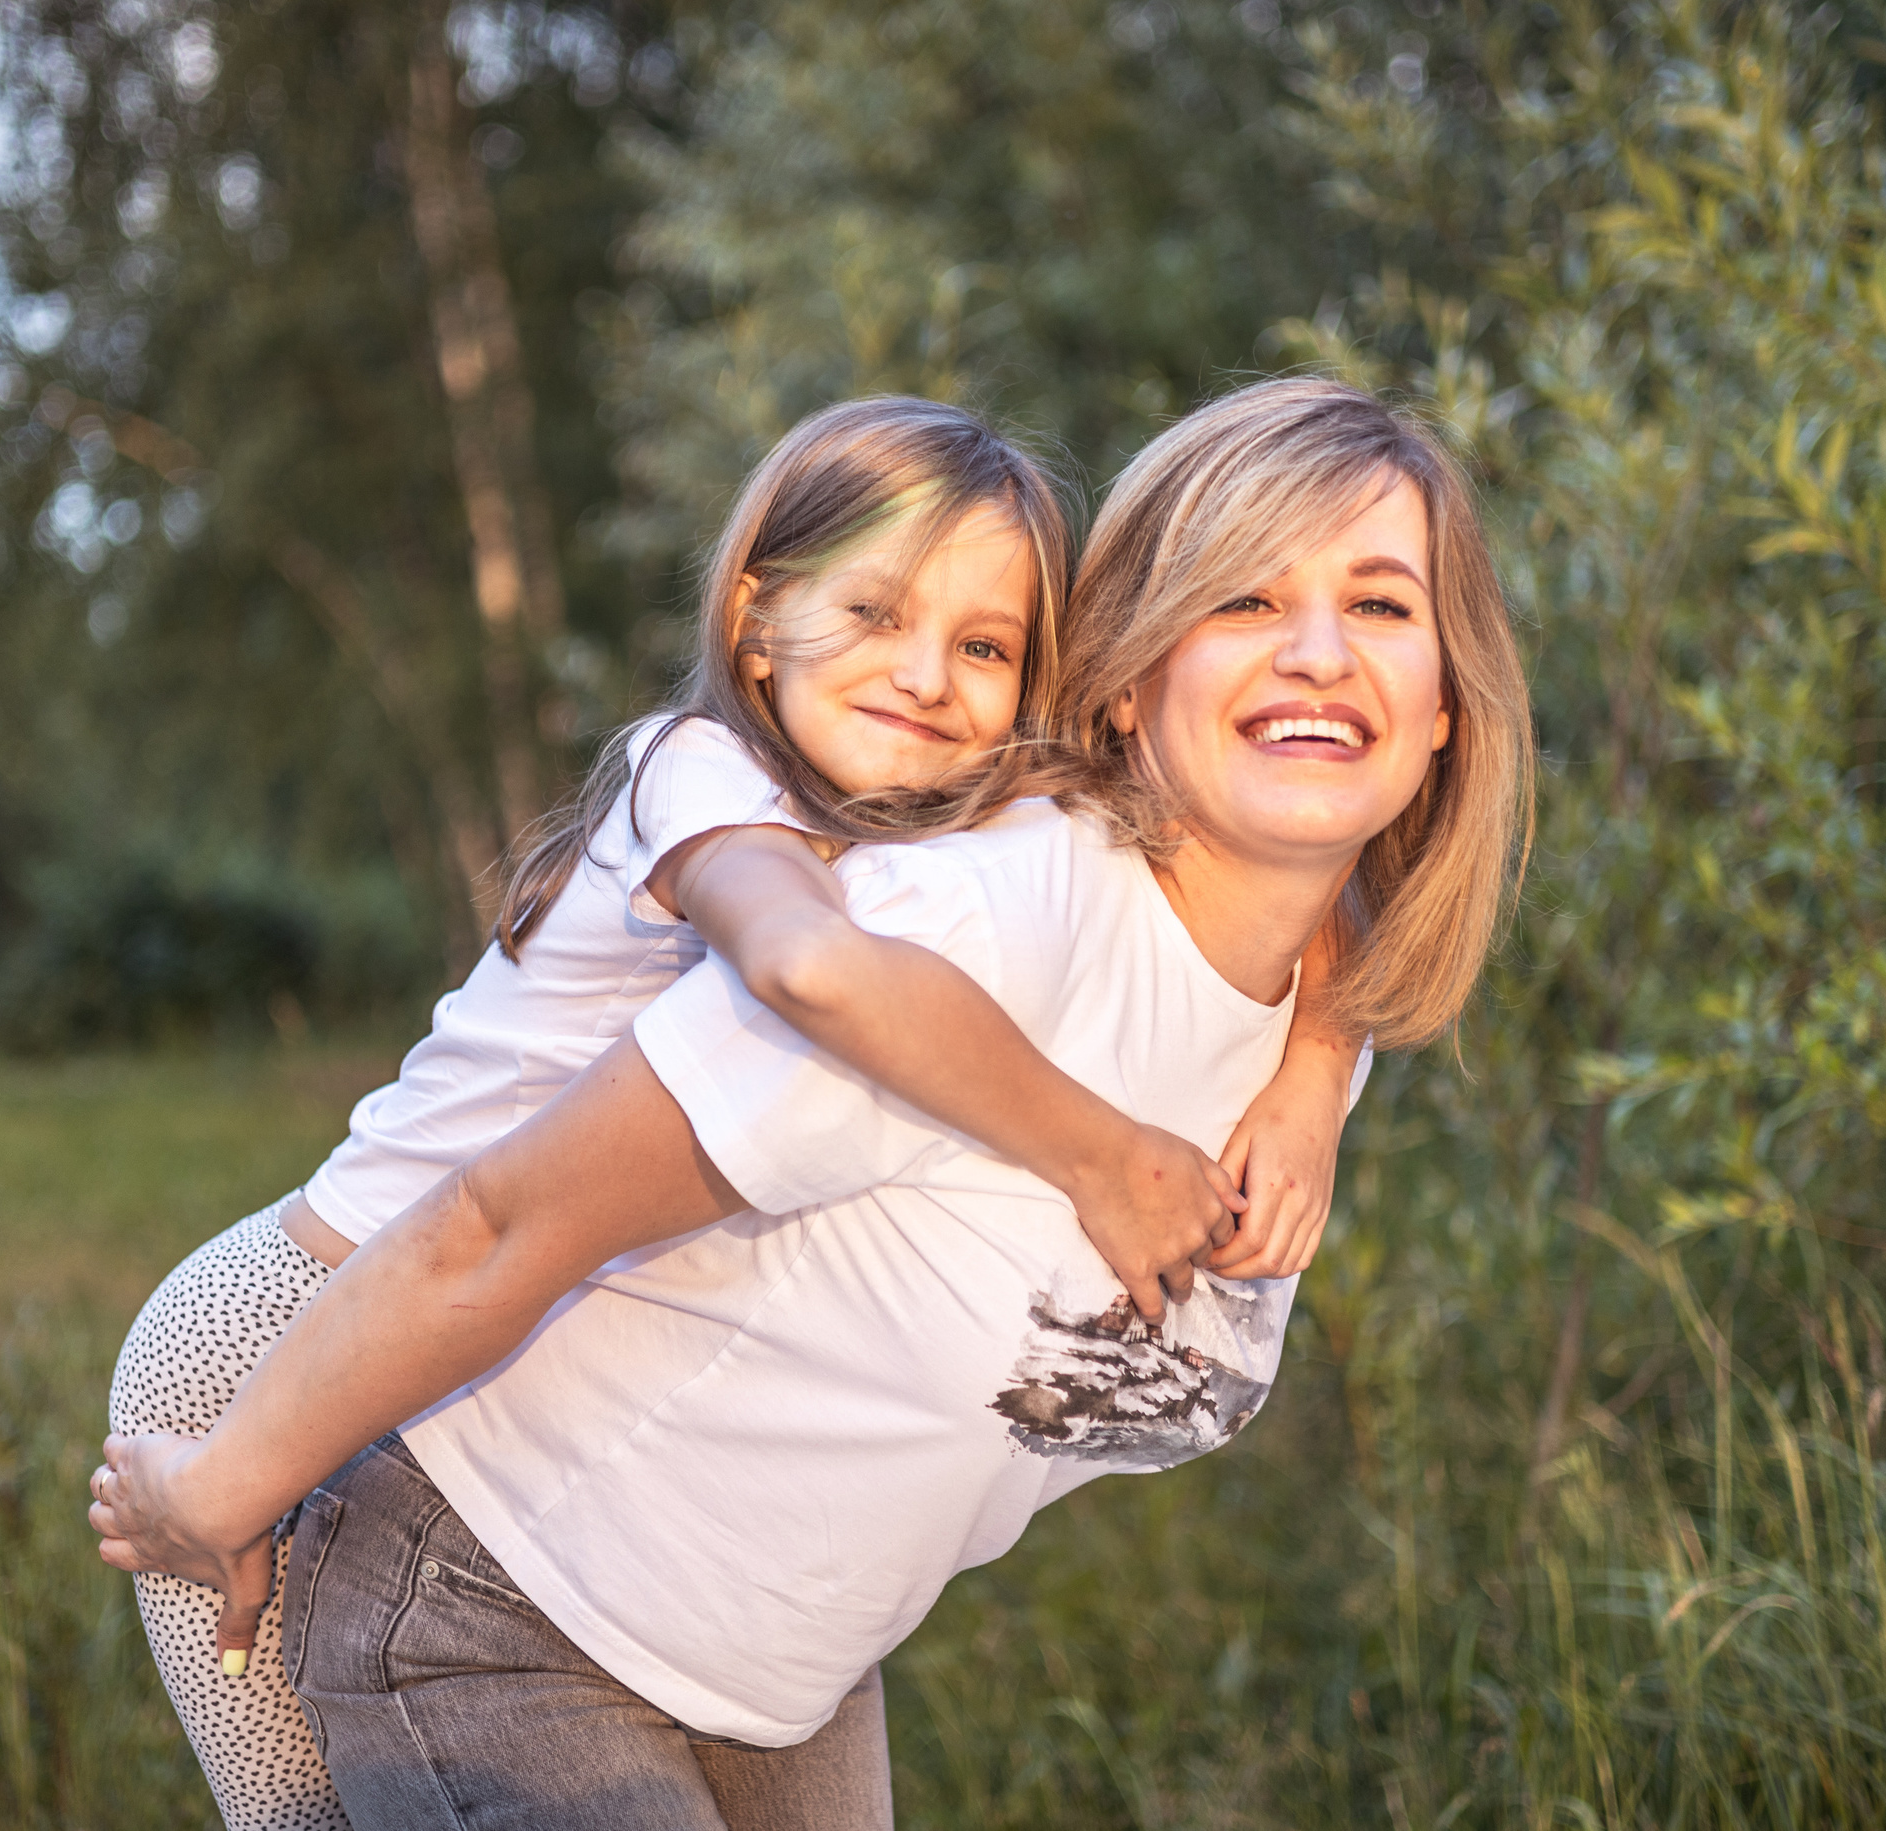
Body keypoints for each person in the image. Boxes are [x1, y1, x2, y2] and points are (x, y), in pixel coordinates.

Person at [93, 375, 1532, 1829]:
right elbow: (515, 1202)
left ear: (1447, 711)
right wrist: (214, 1497)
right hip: (473, 1556)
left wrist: (1313, 1074)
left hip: (777, 1669)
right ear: (1124, 676)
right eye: (1245, 601)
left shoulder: (1307, 985)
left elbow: (1337, 917)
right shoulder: (939, 922)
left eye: (1383, 607)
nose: (1317, 655)